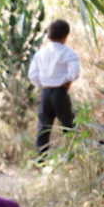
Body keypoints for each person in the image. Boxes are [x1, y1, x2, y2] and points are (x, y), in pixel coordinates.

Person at [28, 19, 80, 154]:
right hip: (60, 92)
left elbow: (32, 74)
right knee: (68, 125)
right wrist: (67, 81)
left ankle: (40, 160)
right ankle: (71, 155)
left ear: (48, 35)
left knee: (43, 127)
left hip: (45, 93)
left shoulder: (41, 53)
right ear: (65, 35)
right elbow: (74, 72)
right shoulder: (68, 53)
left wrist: (42, 84)